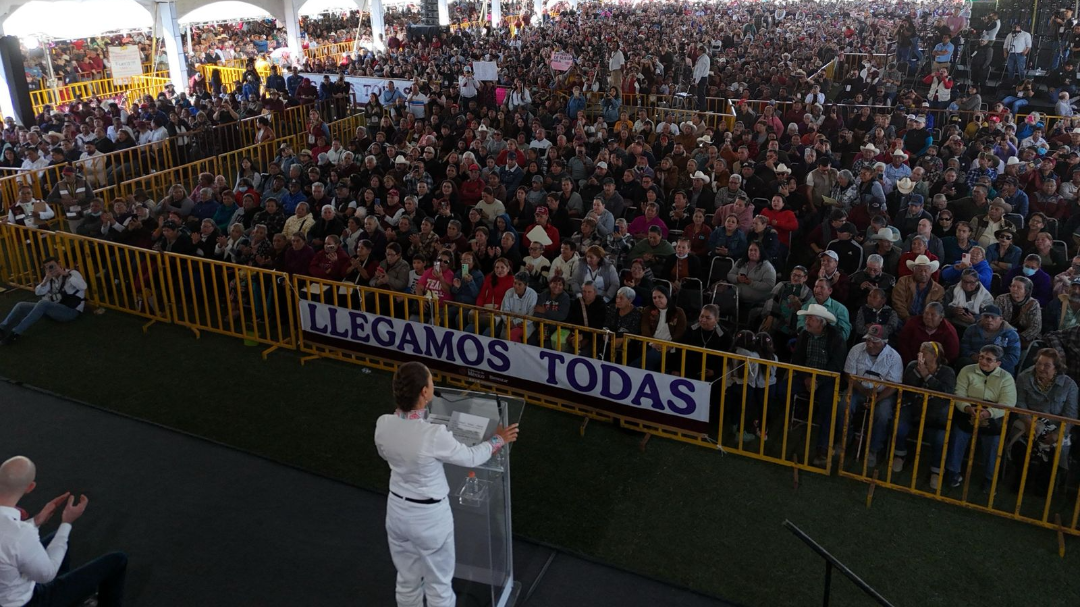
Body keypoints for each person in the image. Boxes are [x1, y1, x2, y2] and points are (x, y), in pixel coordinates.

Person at [375, 362, 519, 607]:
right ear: (424, 392)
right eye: (431, 382)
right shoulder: (433, 435)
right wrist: (498, 439)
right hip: (430, 518)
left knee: (407, 580)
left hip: (397, 512)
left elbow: (393, 450)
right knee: (439, 585)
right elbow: (471, 457)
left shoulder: (383, 424)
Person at [944, 345, 1017, 491]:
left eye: (989, 359)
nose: (983, 361)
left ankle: (990, 478)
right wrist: (966, 408)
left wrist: (989, 413)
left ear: (998, 363)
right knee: (957, 436)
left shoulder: (1006, 378)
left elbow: (1008, 403)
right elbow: (959, 393)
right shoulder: (967, 370)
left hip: (993, 417)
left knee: (994, 443)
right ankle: (952, 472)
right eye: (981, 357)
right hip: (967, 412)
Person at [1007, 349, 1079, 491]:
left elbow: (1070, 414)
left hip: (1055, 426)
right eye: (1039, 364)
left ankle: (1043, 487)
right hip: (1027, 421)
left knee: (1054, 453)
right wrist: (1028, 422)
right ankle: (1022, 482)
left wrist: (1058, 433)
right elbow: (1020, 403)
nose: (1041, 368)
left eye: (1047, 365)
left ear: (1056, 368)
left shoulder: (1069, 385)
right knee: (1020, 448)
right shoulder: (1024, 377)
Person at [842, 324, 904, 468]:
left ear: (884, 342)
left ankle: (874, 449)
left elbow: (894, 385)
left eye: (874, 341)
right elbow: (848, 375)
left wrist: (877, 398)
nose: (869, 344)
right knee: (844, 404)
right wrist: (865, 392)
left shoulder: (894, 357)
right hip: (859, 389)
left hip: (883, 394)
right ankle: (844, 438)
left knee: (883, 414)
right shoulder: (856, 349)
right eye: (868, 340)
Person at [896, 342, 958, 483]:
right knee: (899, 426)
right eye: (920, 351)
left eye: (924, 352)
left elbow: (945, 393)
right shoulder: (913, 365)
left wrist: (927, 376)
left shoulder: (947, 371)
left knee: (940, 438)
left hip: (935, 412)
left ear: (935, 356)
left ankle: (936, 469)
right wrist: (919, 371)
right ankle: (899, 454)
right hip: (912, 406)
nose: (920, 355)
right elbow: (906, 385)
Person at [0, 257, 86, 346]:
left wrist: (65, 274)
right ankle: (2, 328)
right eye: (47, 268)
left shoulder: (72, 273)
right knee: (21, 305)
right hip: (54, 309)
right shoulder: (50, 278)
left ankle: (15, 332)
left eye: (52, 266)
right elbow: (38, 292)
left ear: (59, 264)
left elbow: (83, 286)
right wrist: (45, 281)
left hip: (71, 311)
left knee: (43, 303)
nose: (51, 269)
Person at [959, 305, 1021, 375]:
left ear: (1001, 319)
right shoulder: (971, 330)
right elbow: (964, 348)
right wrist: (972, 355)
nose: (989, 320)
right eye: (986, 317)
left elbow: (1013, 358)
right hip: (975, 364)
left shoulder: (1011, 334)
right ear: (981, 318)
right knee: (963, 361)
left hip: (1000, 368)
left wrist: (991, 362)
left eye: (993, 317)